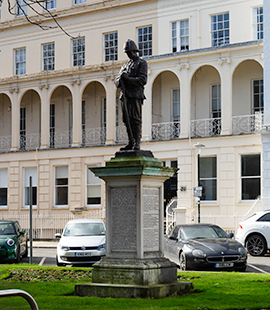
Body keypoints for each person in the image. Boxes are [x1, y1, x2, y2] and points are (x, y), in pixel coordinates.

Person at [115, 39, 148, 151]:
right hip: (125, 96)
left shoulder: (142, 63)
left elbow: (143, 80)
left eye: (130, 52)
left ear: (135, 51)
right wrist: (120, 79)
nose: (129, 54)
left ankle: (137, 142)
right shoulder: (125, 65)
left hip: (136, 95)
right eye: (127, 52)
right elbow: (116, 82)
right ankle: (131, 142)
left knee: (135, 119)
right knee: (126, 119)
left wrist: (127, 79)